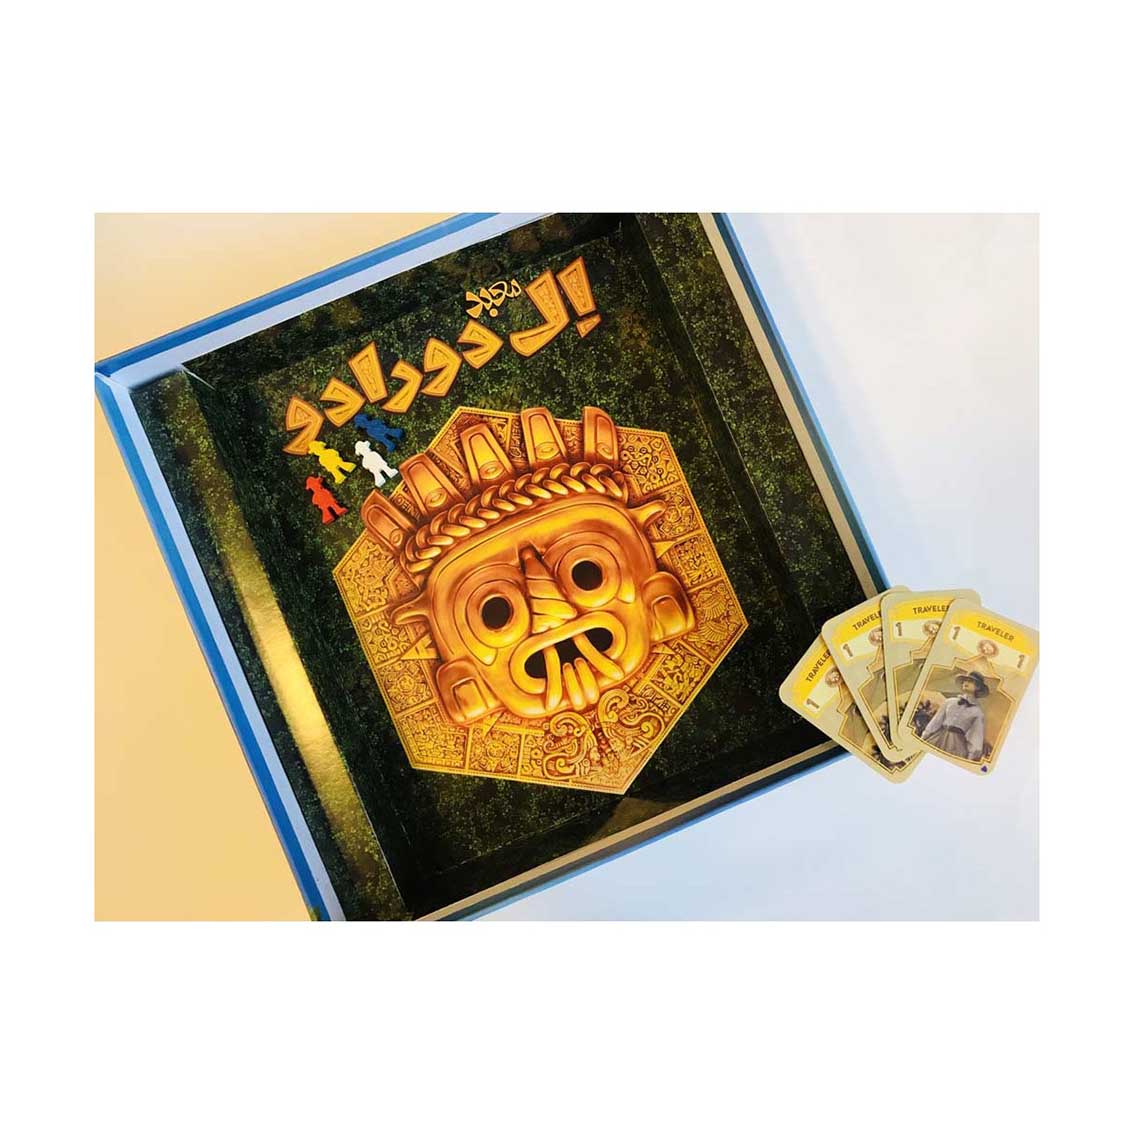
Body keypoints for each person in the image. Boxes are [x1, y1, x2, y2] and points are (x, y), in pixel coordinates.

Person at [919, 671, 988, 760]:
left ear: (978, 687)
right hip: (938, 738)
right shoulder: (949, 702)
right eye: (965, 680)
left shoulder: (977, 712)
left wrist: (970, 757)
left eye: (970, 681)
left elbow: (975, 737)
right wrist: (924, 737)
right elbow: (936, 722)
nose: (966, 682)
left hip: (957, 746)